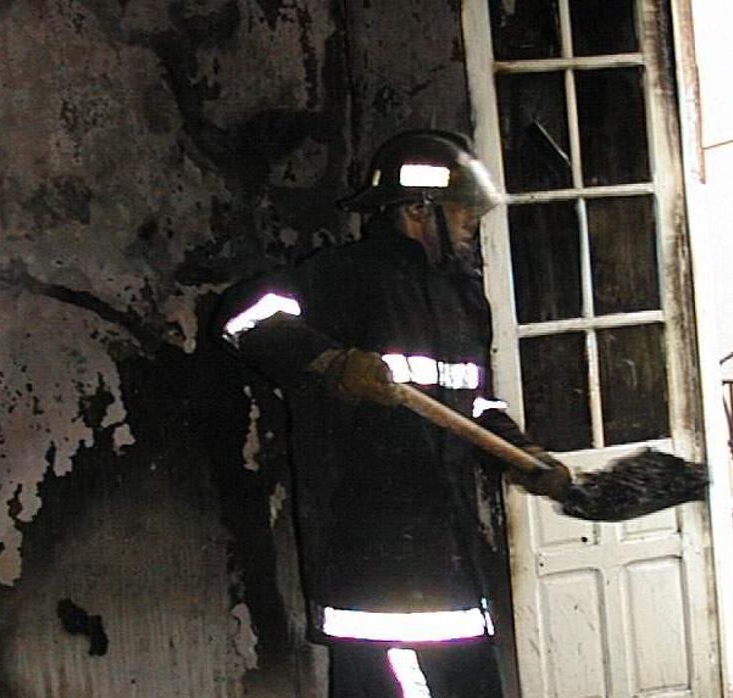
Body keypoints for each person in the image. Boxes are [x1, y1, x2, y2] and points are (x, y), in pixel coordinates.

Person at [216, 130, 571, 697]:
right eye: (460, 215)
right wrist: (330, 362)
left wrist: (524, 457)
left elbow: (475, 402)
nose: (470, 228)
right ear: (416, 209)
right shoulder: (340, 277)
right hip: (374, 570)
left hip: (451, 565)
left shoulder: (463, 301)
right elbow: (241, 319)